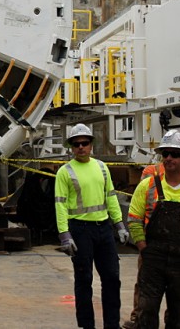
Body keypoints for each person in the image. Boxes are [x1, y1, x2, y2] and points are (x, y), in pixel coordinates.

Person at [127, 129, 180, 329]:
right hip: (153, 259)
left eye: (174, 154)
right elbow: (134, 219)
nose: (168, 158)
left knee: (179, 314)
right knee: (146, 310)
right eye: (165, 153)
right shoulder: (147, 186)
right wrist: (144, 249)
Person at [55, 123, 130, 329]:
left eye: (84, 143)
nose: (81, 147)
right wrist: (65, 235)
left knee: (112, 278)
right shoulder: (65, 172)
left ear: (91, 145)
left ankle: (112, 325)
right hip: (80, 231)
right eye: (76, 144)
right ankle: (87, 325)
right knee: (84, 279)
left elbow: (111, 197)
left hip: (103, 229)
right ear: (71, 146)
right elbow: (60, 205)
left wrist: (119, 224)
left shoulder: (101, 167)